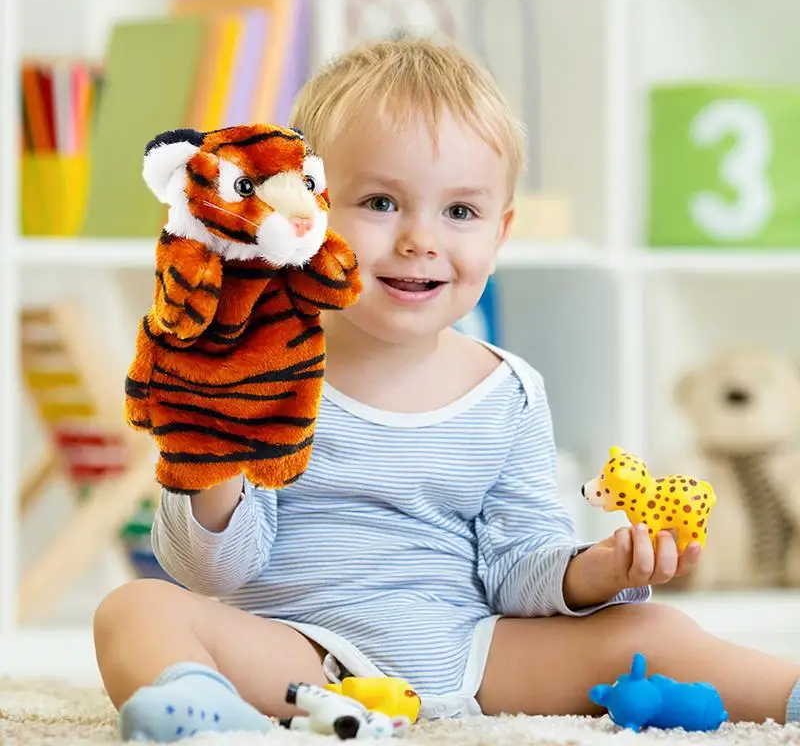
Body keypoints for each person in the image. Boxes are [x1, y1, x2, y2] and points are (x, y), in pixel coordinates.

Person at [93, 36, 800, 742]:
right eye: (379, 202)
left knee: (654, 628)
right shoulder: (261, 373)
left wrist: (597, 571)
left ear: (501, 232)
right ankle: (203, 720)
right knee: (137, 609)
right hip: (302, 658)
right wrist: (211, 444)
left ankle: (787, 691)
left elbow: (519, 564)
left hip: (476, 655)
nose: (420, 240)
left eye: (460, 212)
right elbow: (211, 569)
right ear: (307, 213)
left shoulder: (508, 390)